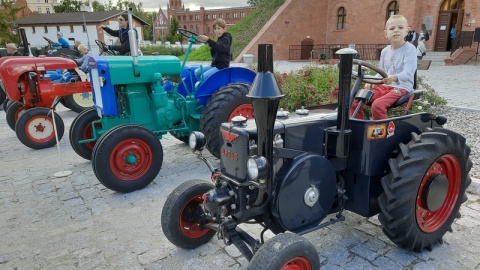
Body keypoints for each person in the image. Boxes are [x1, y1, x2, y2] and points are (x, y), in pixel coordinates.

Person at [350, 15, 417, 120]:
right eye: (392, 28)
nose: (396, 31)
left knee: (378, 105)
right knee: (356, 100)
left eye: (400, 27)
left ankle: (381, 133)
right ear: (386, 33)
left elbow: (409, 73)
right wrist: (371, 81)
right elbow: (381, 72)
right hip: (384, 86)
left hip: (401, 87)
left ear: (407, 31)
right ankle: (358, 128)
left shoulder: (409, 49)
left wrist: (393, 77)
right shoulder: (385, 51)